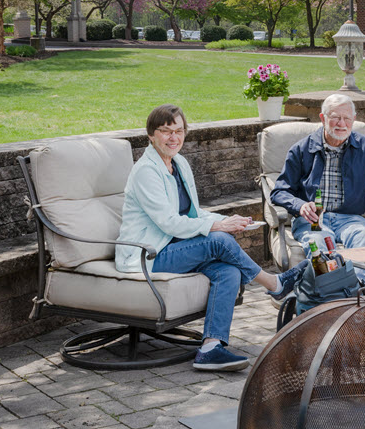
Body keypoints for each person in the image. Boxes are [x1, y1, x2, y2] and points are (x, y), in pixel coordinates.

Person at [116, 104, 307, 371]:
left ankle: (210, 348)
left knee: (227, 270)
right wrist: (219, 227)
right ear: (151, 135)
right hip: (148, 254)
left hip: (176, 247)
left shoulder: (179, 163)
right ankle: (274, 283)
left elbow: (193, 213)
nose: (174, 138)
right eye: (166, 131)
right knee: (220, 240)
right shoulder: (147, 171)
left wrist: (230, 221)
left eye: (179, 131)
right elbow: (169, 223)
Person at [271, 93, 365, 282]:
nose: (341, 123)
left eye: (346, 118)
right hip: (314, 220)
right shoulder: (301, 149)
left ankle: (356, 290)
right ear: (323, 118)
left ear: (353, 119)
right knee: (318, 242)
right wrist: (300, 205)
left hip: (351, 219)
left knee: (363, 236)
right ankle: (330, 293)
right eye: (335, 117)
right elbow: (279, 191)